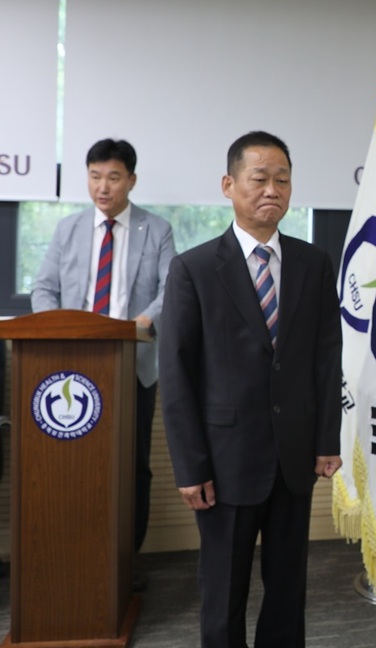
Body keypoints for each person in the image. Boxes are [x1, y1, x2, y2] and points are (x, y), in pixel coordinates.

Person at [159, 130, 342, 647]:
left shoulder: (313, 263)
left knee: (288, 588)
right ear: (229, 185)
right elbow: (176, 374)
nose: (271, 190)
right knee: (223, 591)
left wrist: (326, 439)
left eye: (282, 180)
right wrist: (190, 466)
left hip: (294, 457)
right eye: (259, 178)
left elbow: (327, 358)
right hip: (225, 462)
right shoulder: (193, 269)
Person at [31, 138, 176, 591]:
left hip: (133, 364)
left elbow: (171, 289)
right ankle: (72, 556)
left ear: (131, 180)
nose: (103, 187)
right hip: (72, 367)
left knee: (132, 466)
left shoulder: (156, 229)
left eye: (113, 177)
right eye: (95, 176)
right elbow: (42, 288)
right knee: (72, 465)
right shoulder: (69, 228)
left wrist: (143, 322)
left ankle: (126, 560)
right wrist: (54, 327)